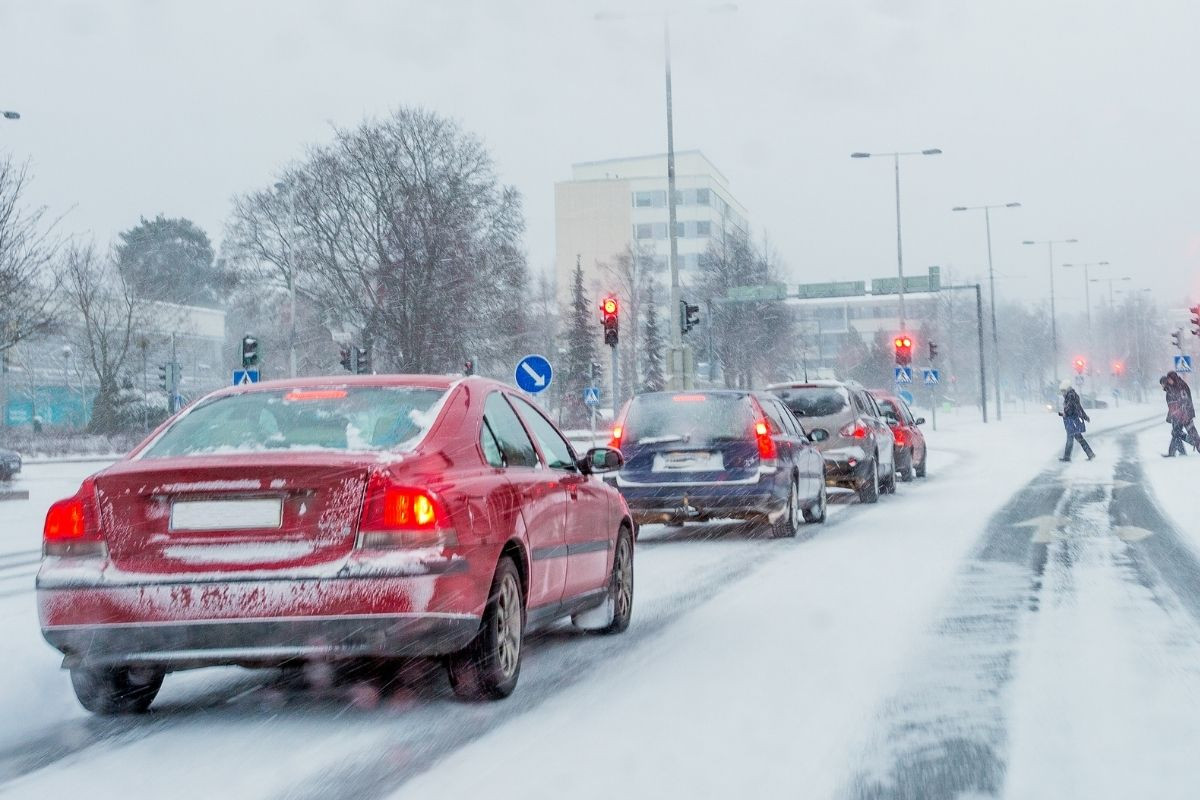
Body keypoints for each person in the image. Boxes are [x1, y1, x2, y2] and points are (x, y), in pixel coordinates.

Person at [1161, 373, 1196, 457]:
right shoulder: (1170, 390)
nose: (1162, 386)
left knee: (1176, 433)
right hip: (1177, 415)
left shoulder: (1171, 390)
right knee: (1176, 433)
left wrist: (1178, 414)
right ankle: (1181, 451)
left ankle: (1190, 442)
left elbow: (1176, 404)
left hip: (1179, 415)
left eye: (1162, 383)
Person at [1058, 380, 1094, 462]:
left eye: (1063, 391)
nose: (1062, 393)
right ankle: (1090, 453)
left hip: (1072, 421)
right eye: (1061, 391)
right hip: (1073, 420)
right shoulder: (1072, 395)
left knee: (1071, 439)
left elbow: (1070, 408)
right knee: (1078, 438)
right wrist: (1085, 416)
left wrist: (1064, 413)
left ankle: (1067, 457)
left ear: (1067, 389)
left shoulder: (1070, 396)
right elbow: (1079, 407)